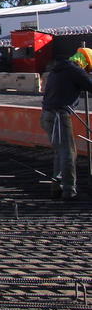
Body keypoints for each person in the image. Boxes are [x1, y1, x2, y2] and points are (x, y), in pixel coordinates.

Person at [40, 47, 92, 200]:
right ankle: (69, 190)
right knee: (68, 154)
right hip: (59, 116)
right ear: (85, 62)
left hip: (47, 115)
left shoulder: (57, 70)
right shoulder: (75, 70)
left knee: (60, 152)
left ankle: (57, 188)